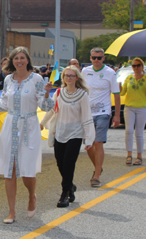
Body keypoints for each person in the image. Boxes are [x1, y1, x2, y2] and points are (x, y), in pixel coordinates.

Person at [0, 47, 53, 223]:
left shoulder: (37, 79)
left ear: (27, 60)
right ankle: (11, 212)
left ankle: (32, 196)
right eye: (16, 58)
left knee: (27, 171)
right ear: (12, 61)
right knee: (10, 169)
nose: (19, 61)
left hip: (29, 127)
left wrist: (47, 92)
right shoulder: (8, 79)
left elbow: (46, 106)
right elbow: (3, 104)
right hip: (11, 125)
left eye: (22, 58)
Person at [40, 66, 95, 208]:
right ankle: (70, 185)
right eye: (66, 75)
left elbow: (87, 117)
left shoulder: (82, 95)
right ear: (63, 77)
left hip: (75, 134)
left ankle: (64, 193)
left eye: (72, 76)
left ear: (77, 78)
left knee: (69, 164)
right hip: (59, 132)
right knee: (60, 163)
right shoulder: (58, 93)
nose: (69, 78)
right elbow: (52, 109)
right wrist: (42, 123)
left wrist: (88, 139)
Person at [81, 47, 120, 188]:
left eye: (99, 57)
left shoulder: (110, 73)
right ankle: (98, 166)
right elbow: (80, 89)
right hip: (87, 112)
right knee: (88, 145)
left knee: (98, 143)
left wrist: (116, 115)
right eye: (94, 57)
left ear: (103, 58)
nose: (96, 60)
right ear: (90, 58)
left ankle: (96, 175)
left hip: (103, 112)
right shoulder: (85, 71)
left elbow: (116, 94)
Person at [120, 58, 146, 165]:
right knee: (129, 131)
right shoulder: (129, 78)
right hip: (129, 107)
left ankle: (139, 156)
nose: (136, 67)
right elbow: (122, 93)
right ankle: (129, 154)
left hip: (142, 108)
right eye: (134, 66)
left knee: (139, 133)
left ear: (142, 66)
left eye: (138, 65)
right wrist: (119, 88)